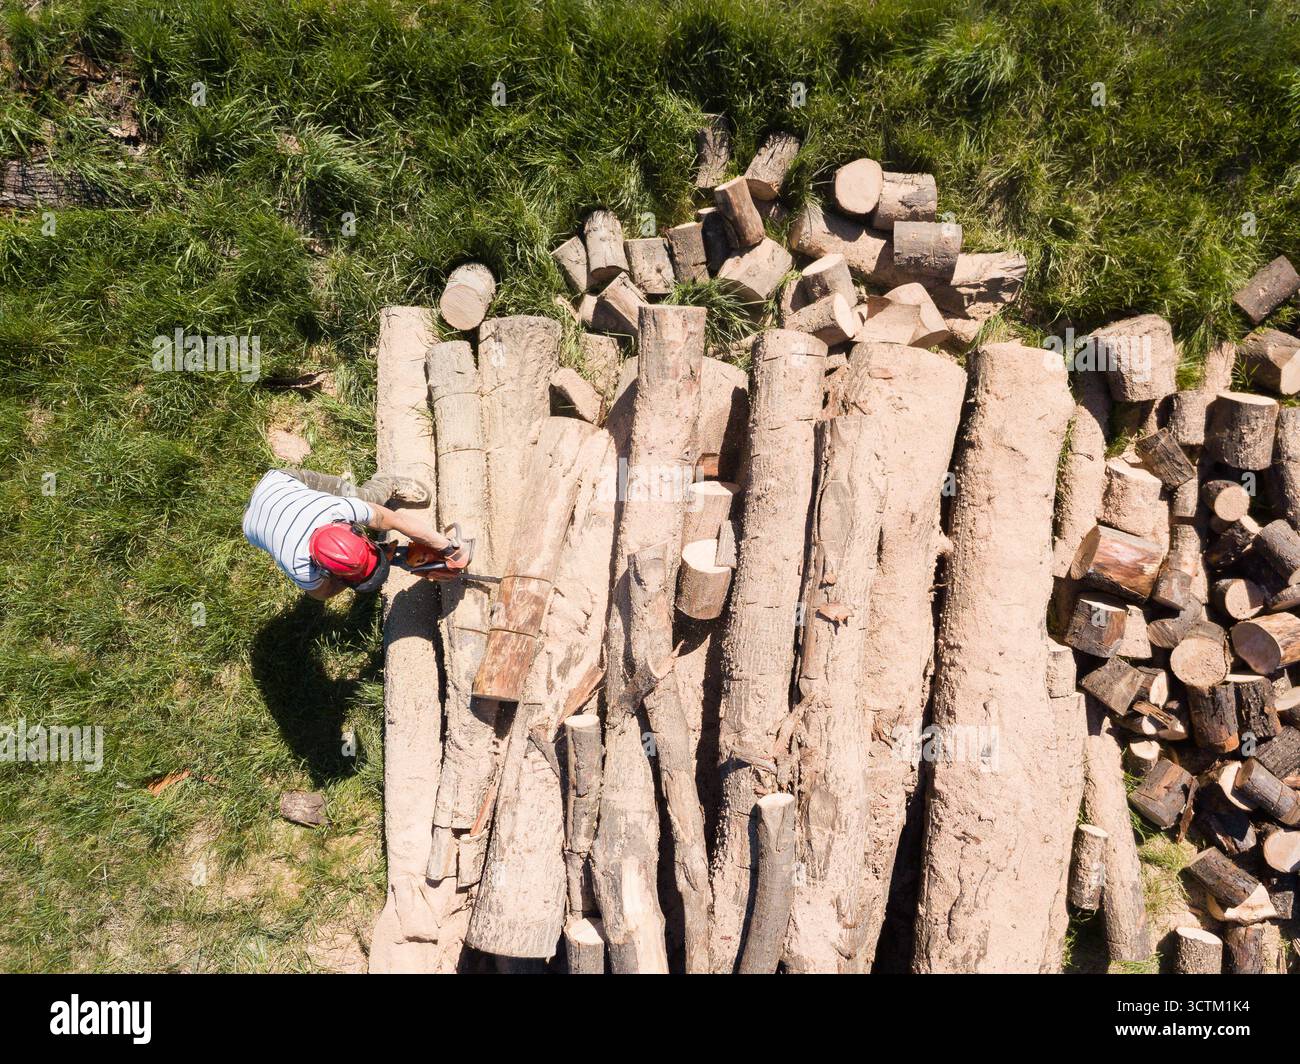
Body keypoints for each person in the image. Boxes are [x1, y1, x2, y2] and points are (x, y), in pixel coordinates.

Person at [242, 468, 466, 600]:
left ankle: (386, 482)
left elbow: (395, 520)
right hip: (261, 508)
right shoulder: (299, 567)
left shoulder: (338, 508)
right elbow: (323, 593)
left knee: (369, 497)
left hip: (279, 488)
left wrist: (447, 547)